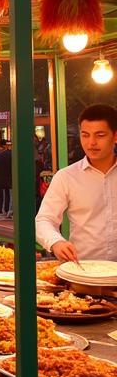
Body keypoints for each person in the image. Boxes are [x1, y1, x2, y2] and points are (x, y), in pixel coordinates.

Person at [35, 104, 117, 262]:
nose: (91, 142)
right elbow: (44, 219)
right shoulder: (66, 176)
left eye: (100, 135)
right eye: (85, 135)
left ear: (115, 136)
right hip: (82, 271)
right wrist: (56, 242)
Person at [0, 138, 13, 218]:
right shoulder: (11, 154)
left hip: (0, 176)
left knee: (0, 194)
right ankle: (7, 209)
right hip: (9, 176)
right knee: (8, 193)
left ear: (1, 146)